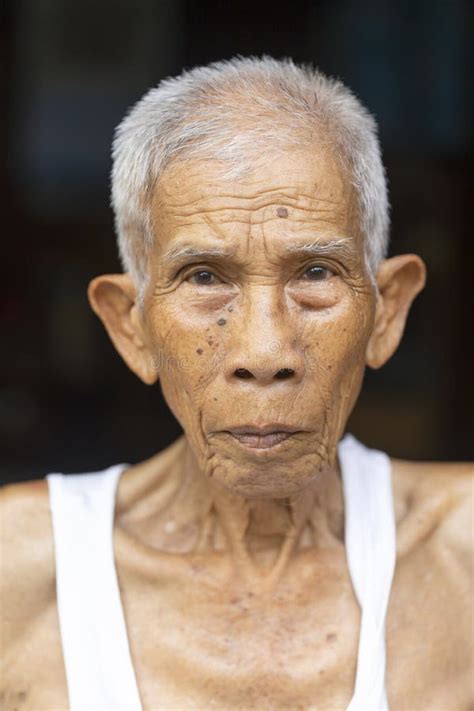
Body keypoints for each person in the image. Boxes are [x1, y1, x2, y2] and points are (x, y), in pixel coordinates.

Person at [1, 56, 472, 711]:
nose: (264, 351)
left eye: (314, 272)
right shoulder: (17, 573)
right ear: (130, 326)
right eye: (203, 277)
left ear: (386, 311)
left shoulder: (463, 558)